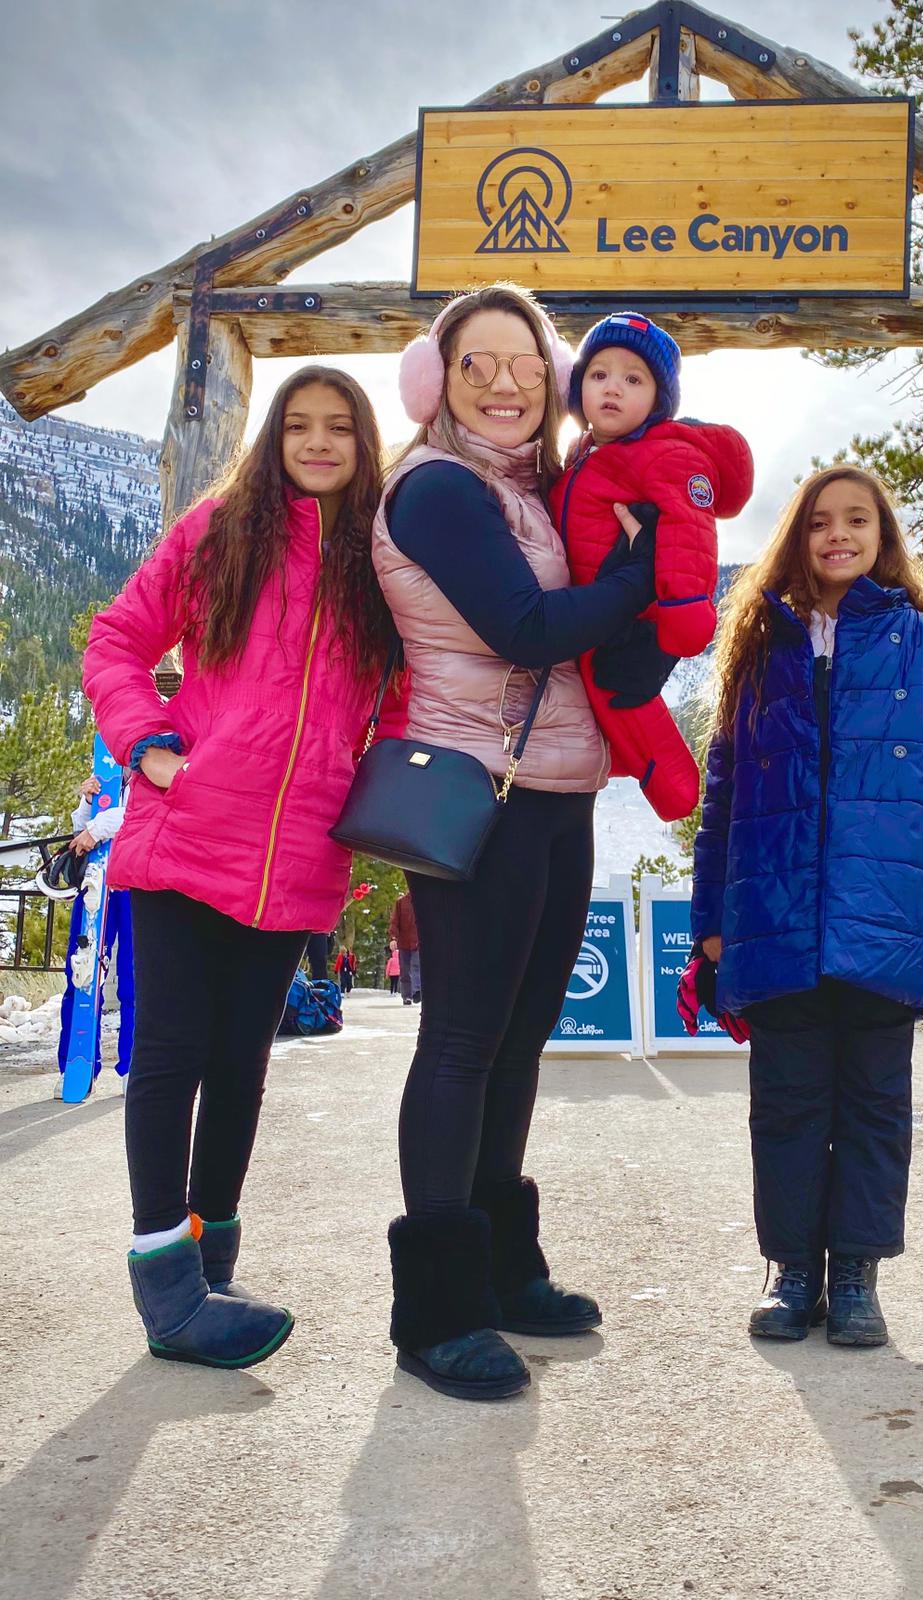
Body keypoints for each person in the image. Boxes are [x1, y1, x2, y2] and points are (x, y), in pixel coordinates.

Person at [83, 365, 399, 1371]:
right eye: (298, 425)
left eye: (337, 427)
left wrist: (368, 801)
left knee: (241, 1065)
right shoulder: (220, 533)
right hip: (187, 836)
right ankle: (162, 1278)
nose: (316, 442)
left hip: (301, 852)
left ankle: (210, 1260)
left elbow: (394, 703)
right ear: (272, 437)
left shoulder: (378, 564)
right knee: (170, 1053)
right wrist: (148, 747)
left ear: (362, 442)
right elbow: (117, 640)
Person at [375, 281, 657, 1401]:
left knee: (521, 1035)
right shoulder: (439, 487)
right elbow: (524, 628)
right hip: (473, 789)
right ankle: (436, 1308)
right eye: (478, 361)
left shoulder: (531, 490)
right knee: (460, 1039)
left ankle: (498, 1264)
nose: (505, 382)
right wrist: (644, 576)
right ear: (437, 379)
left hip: (553, 790)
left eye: (527, 363)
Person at [686, 465, 923, 1349]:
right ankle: (792, 1275)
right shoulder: (757, 648)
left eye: (857, 520)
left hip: (887, 918)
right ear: (798, 537)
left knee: (871, 1103)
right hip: (775, 915)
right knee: (785, 1104)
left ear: (882, 535)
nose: (838, 535)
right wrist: (711, 918)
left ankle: (856, 1276)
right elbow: (725, 793)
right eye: (820, 522)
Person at [547, 312, 754, 822]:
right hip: (586, 609)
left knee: (623, 695)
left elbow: (690, 530)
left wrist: (685, 608)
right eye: (599, 375)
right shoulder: (581, 454)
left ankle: (675, 789)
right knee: (602, 703)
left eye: (632, 378)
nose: (612, 388)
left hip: (636, 616)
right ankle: (642, 776)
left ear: (658, 400)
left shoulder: (666, 455)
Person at [56, 773, 134, 1090]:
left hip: (137, 884)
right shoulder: (108, 770)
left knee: (136, 977)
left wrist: (97, 827)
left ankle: (134, 1067)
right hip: (96, 884)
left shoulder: (158, 758)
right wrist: (88, 803)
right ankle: (76, 1064)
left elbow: (144, 813)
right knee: (80, 972)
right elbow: (81, 833)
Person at [388, 888, 420, 1006]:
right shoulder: (401, 902)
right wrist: (393, 938)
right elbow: (394, 922)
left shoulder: (423, 900)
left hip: (418, 942)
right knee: (405, 970)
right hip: (404, 942)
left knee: (417, 966)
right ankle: (407, 996)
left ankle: (417, 991)